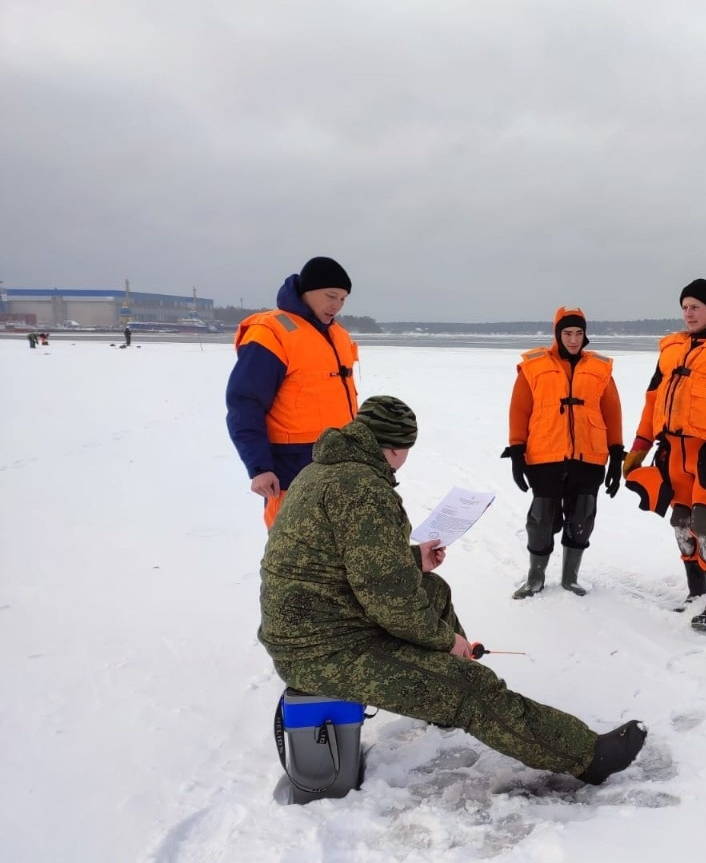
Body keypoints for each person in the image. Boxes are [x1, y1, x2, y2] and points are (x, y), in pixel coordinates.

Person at [258, 396, 648, 785]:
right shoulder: (363, 490)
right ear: (396, 447)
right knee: (470, 688)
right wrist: (447, 643)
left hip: (319, 625)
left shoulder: (323, 472)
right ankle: (588, 757)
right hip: (322, 650)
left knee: (433, 590)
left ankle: (437, 699)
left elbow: (349, 562)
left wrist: (412, 559)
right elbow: (391, 601)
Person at [622, 279, 706, 631]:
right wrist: (640, 445)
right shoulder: (671, 349)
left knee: (705, 525)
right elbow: (653, 400)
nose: (689, 313)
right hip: (673, 453)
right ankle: (696, 593)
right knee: (682, 522)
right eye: (685, 306)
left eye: (696, 306)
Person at [501, 306, 626, 598]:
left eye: (579, 333)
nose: (573, 339)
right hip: (545, 456)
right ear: (557, 334)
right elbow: (519, 410)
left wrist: (617, 455)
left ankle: (570, 578)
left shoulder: (600, 368)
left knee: (582, 518)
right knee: (542, 519)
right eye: (567, 333)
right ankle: (535, 578)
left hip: (589, 457)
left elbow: (613, 413)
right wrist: (518, 451)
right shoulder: (533, 366)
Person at [226, 256, 359, 528]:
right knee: (291, 550)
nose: (337, 305)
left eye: (343, 299)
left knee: (337, 547)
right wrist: (260, 468)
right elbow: (245, 402)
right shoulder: (272, 332)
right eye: (331, 296)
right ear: (307, 291)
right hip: (291, 465)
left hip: (342, 460)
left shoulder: (338, 335)